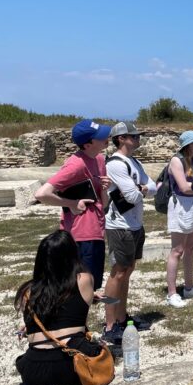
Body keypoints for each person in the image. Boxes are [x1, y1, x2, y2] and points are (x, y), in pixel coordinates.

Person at [14, 230, 107, 385]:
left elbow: (50, 309)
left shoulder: (26, 291)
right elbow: (79, 317)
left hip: (33, 370)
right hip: (70, 365)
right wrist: (91, 297)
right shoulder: (84, 279)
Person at [34, 119, 112, 292]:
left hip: (97, 230)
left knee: (92, 287)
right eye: (100, 136)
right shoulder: (75, 164)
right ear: (87, 144)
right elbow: (41, 194)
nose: (107, 137)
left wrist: (105, 189)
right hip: (79, 235)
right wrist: (71, 203)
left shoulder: (99, 159)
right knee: (79, 289)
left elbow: (103, 204)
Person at [102, 121, 154, 344]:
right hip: (119, 225)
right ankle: (110, 324)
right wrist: (141, 189)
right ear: (121, 139)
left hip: (134, 224)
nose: (137, 139)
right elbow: (133, 196)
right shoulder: (115, 164)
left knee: (128, 270)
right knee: (118, 273)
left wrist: (141, 189)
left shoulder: (133, 162)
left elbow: (152, 187)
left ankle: (122, 318)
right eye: (132, 136)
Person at [165, 130, 193, 308]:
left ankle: (189, 287)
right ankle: (172, 292)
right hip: (181, 205)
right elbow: (183, 186)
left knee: (191, 248)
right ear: (187, 144)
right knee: (177, 250)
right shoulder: (176, 160)